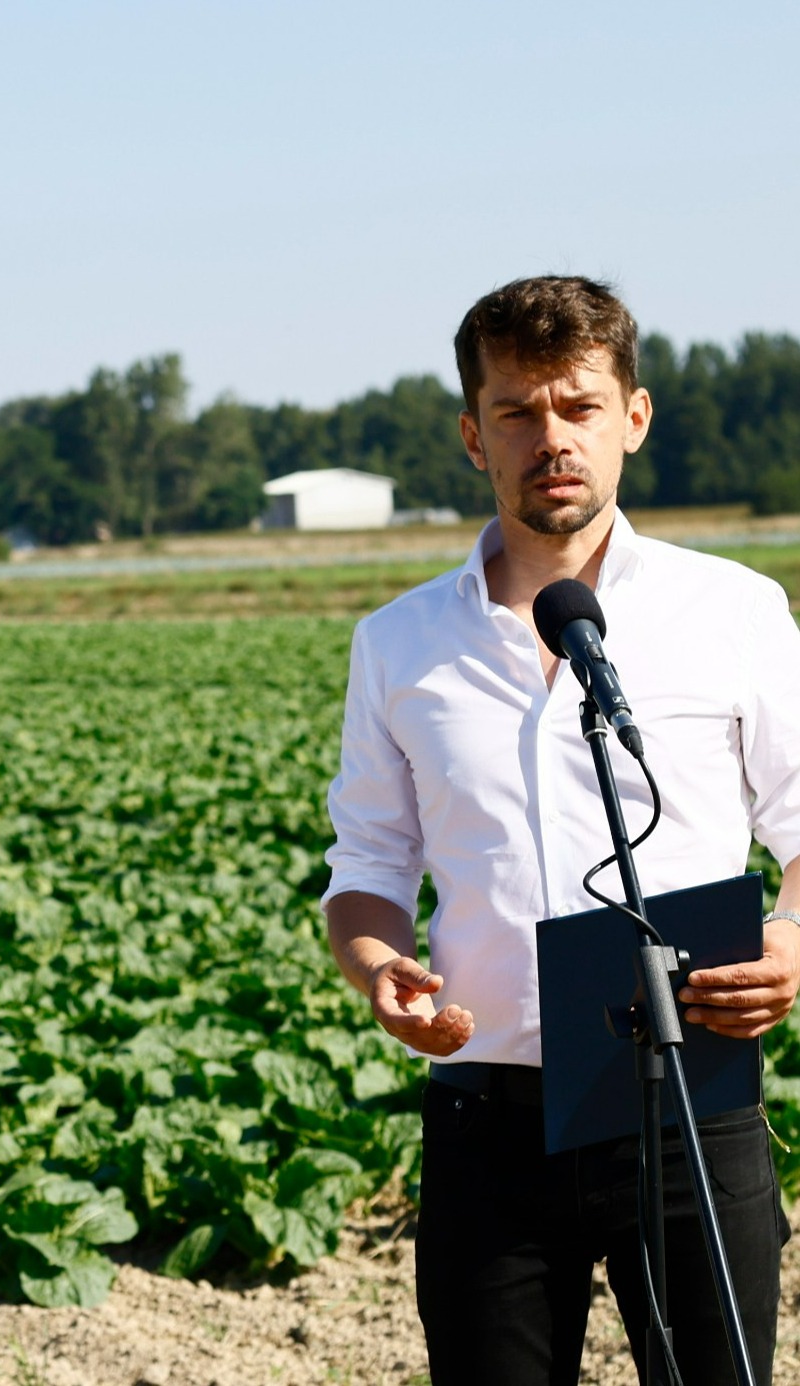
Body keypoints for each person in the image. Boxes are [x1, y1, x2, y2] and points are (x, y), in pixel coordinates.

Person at [323, 275, 800, 1386]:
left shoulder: (732, 612)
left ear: (632, 417)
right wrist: (379, 964)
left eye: (579, 406)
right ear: (470, 435)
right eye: (517, 412)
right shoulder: (397, 645)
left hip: (690, 1100)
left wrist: (793, 944)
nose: (552, 438)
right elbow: (368, 866)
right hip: (488, 1121)